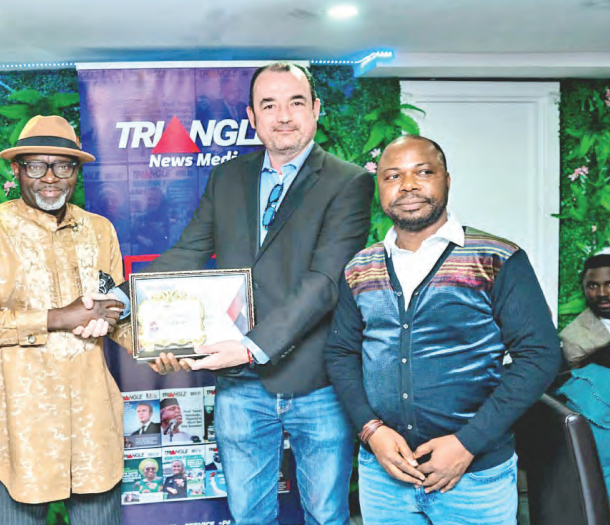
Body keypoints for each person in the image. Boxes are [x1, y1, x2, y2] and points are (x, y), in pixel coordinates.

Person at [105, 62, 374, 525]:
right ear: (252, 116)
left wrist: (250, 347)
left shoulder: (348, 182)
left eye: (295, 102)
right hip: (241, 389)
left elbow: (325, 282)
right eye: (269, 104)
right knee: (249, 515)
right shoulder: (228, 177)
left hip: (318, 383)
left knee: (326, 514)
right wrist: (125, 301)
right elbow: (189, 251)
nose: (283, 116)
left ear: (316, 110)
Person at [325, 135, 562, 525]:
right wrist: (372, 432)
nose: (408, 186)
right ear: (380, 189)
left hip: (474, 479)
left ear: (447, 180)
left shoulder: (496, 258)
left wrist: (468, 443)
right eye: (393, 176)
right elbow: (340, 353)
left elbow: (539, 355)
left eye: (423, 172)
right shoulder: (359, 267)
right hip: (384, 478)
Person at [0, 115, 131, 525]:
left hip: (92, 420)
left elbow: (114, 314)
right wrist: (55, 317)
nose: (50, 178)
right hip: (19, 421)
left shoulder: (99, 230)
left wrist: (164, 346)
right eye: (36, 165)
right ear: (17, 169)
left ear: (76, 171)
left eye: (63, 166)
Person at [560, 251, 610, 369]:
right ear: (583, 288)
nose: (602, 293)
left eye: (609, 284)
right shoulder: (573, 338)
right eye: (593, 286)